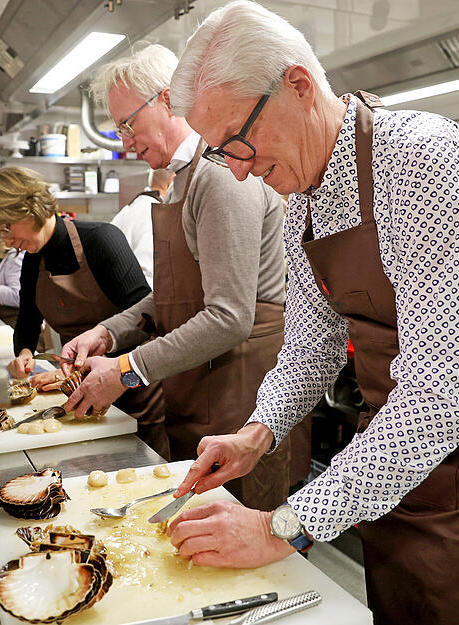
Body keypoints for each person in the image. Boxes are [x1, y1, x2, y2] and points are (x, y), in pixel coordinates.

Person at [165, 2, 459, 624]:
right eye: (222, 155)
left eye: (238, 143)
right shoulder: (302, 192)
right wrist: (258, 432)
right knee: (397, 602)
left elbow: (436, 402)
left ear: (298, 86)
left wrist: (282, 525)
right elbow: (312, 345)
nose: (241, 173)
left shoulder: (421, 162)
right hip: (396, 440)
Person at [59, 43, 310, 511]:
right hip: (203, 380)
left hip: (240, 387)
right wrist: (108, 334)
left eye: (128, 124)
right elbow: (175, 296)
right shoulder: (182, 180)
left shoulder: (219, 177)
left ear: (167, 99)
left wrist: (126, 372)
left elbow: (230, 317)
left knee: (236, 533)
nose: (125, 141)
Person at [0, 166, 169, 458]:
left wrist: (102, 367)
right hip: (80, 394)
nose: (6, 242)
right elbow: (27, 321)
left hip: (131, 390)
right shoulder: (31, 261)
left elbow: (145, 320)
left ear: (29, 207)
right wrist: (24, 354)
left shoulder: (102, 240)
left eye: (5, 229)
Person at [110, 167, 175, 287]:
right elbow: (147, 274)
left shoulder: (132, 207)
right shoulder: (153, 215)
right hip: (131, 296)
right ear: (172, 181)